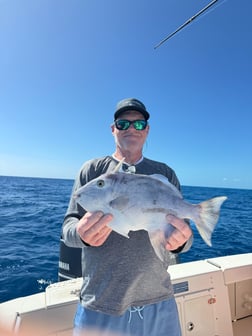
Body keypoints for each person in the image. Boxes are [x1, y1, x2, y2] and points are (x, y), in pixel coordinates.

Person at [62, 98, 193, 336]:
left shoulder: (165, 173)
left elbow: (183, 235)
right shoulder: (92, 170)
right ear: (113, 129)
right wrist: (82, 234)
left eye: (139, 124)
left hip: (159, 300)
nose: (131, 129)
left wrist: (181, 242)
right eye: (123, 123)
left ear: (147, 130)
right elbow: (68, 228)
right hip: (101, 303)